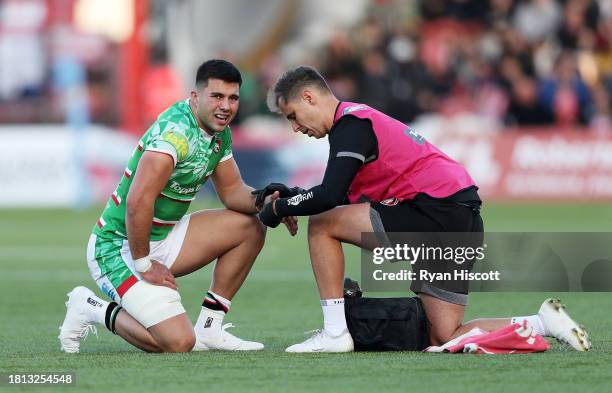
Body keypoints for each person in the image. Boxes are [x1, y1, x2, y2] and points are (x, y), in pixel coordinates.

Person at [258, 65, 591, 353]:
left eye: (293, 117)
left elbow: (329, 198)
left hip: (435, 212)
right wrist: (293, 195)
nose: (295, 127)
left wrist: (276, 210)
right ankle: (542, 322)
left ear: (309, 98)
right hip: (461, 218)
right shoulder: (359, 122)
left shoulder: (351, 125)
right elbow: (340, 195)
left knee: (322, 225)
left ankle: (334, 333)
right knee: (444, 335)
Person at [59, 59, 299, 353]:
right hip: (119, 248)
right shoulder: (173, 135)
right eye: (217, 96)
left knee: (251, 225)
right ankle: (92, 307)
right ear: (195, 97)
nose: (226, 106)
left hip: (163, 237)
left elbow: (234, 191)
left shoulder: (219, 131)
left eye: (233, 98)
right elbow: (138, 201)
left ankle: (210, 328)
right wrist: (144, 263)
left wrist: (270, 201)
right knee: (178, 343)